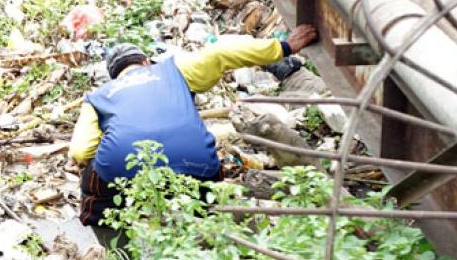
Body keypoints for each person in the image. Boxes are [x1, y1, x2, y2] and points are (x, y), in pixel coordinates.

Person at [70, 25, 319, 241]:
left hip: (126, 165)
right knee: (208, 194)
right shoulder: (172, 69)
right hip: (195, 160)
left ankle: (124, 258)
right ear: (146, 61)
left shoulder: (101, 95)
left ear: (115, 74)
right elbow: (221, 52)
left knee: (95, 194)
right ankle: (218, 234)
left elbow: (80, 152)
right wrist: (284, 47)